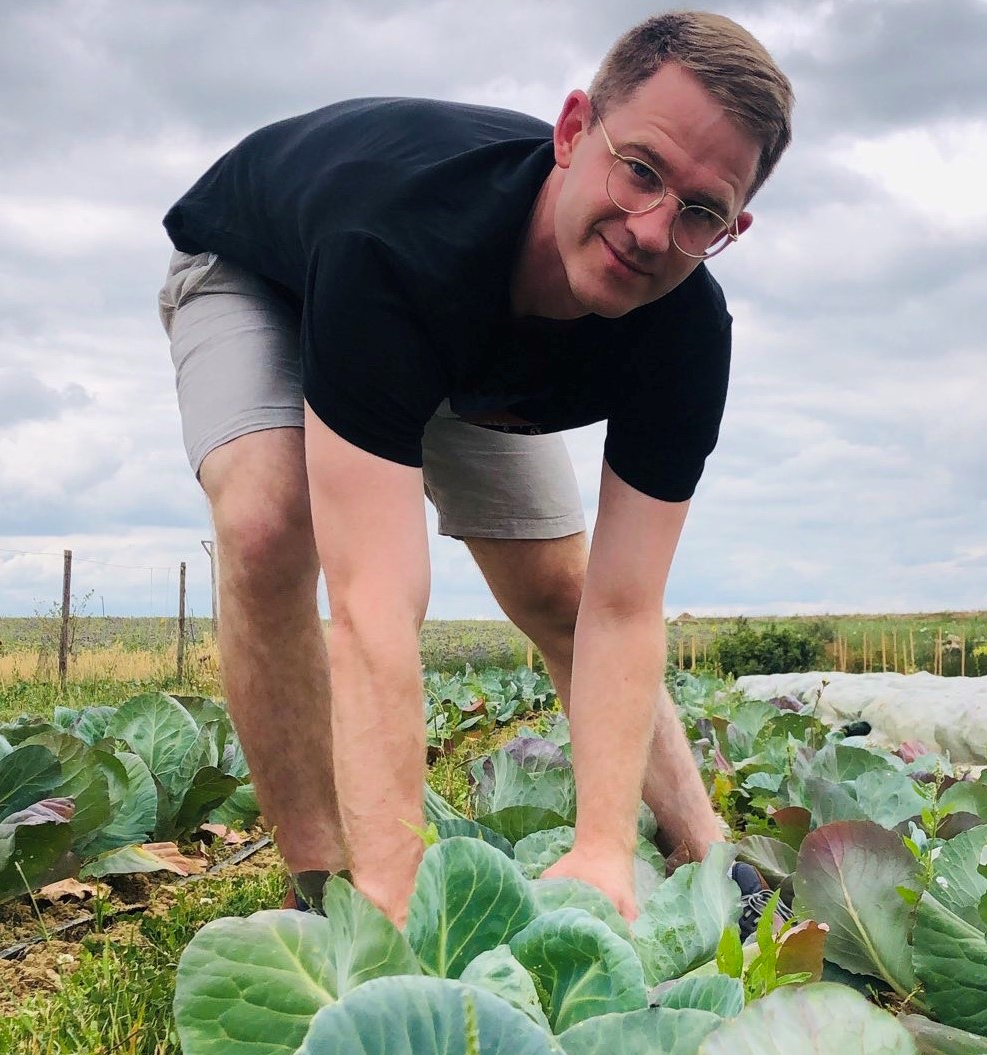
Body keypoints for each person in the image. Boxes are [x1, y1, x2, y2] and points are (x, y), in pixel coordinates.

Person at [158, 11, 793, 926]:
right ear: (573, 130)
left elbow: (622, 603)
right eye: (641, 170)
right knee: (266, 522)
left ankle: (701, 848)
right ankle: (325, 883)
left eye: (701, 213)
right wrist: (398, 897)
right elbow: (375, 603)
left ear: (734, 225)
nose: (653, 231)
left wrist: (601, 847)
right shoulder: (398, 240)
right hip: (268, 271)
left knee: (558, 588)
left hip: (472, 346)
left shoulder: (686, 331)